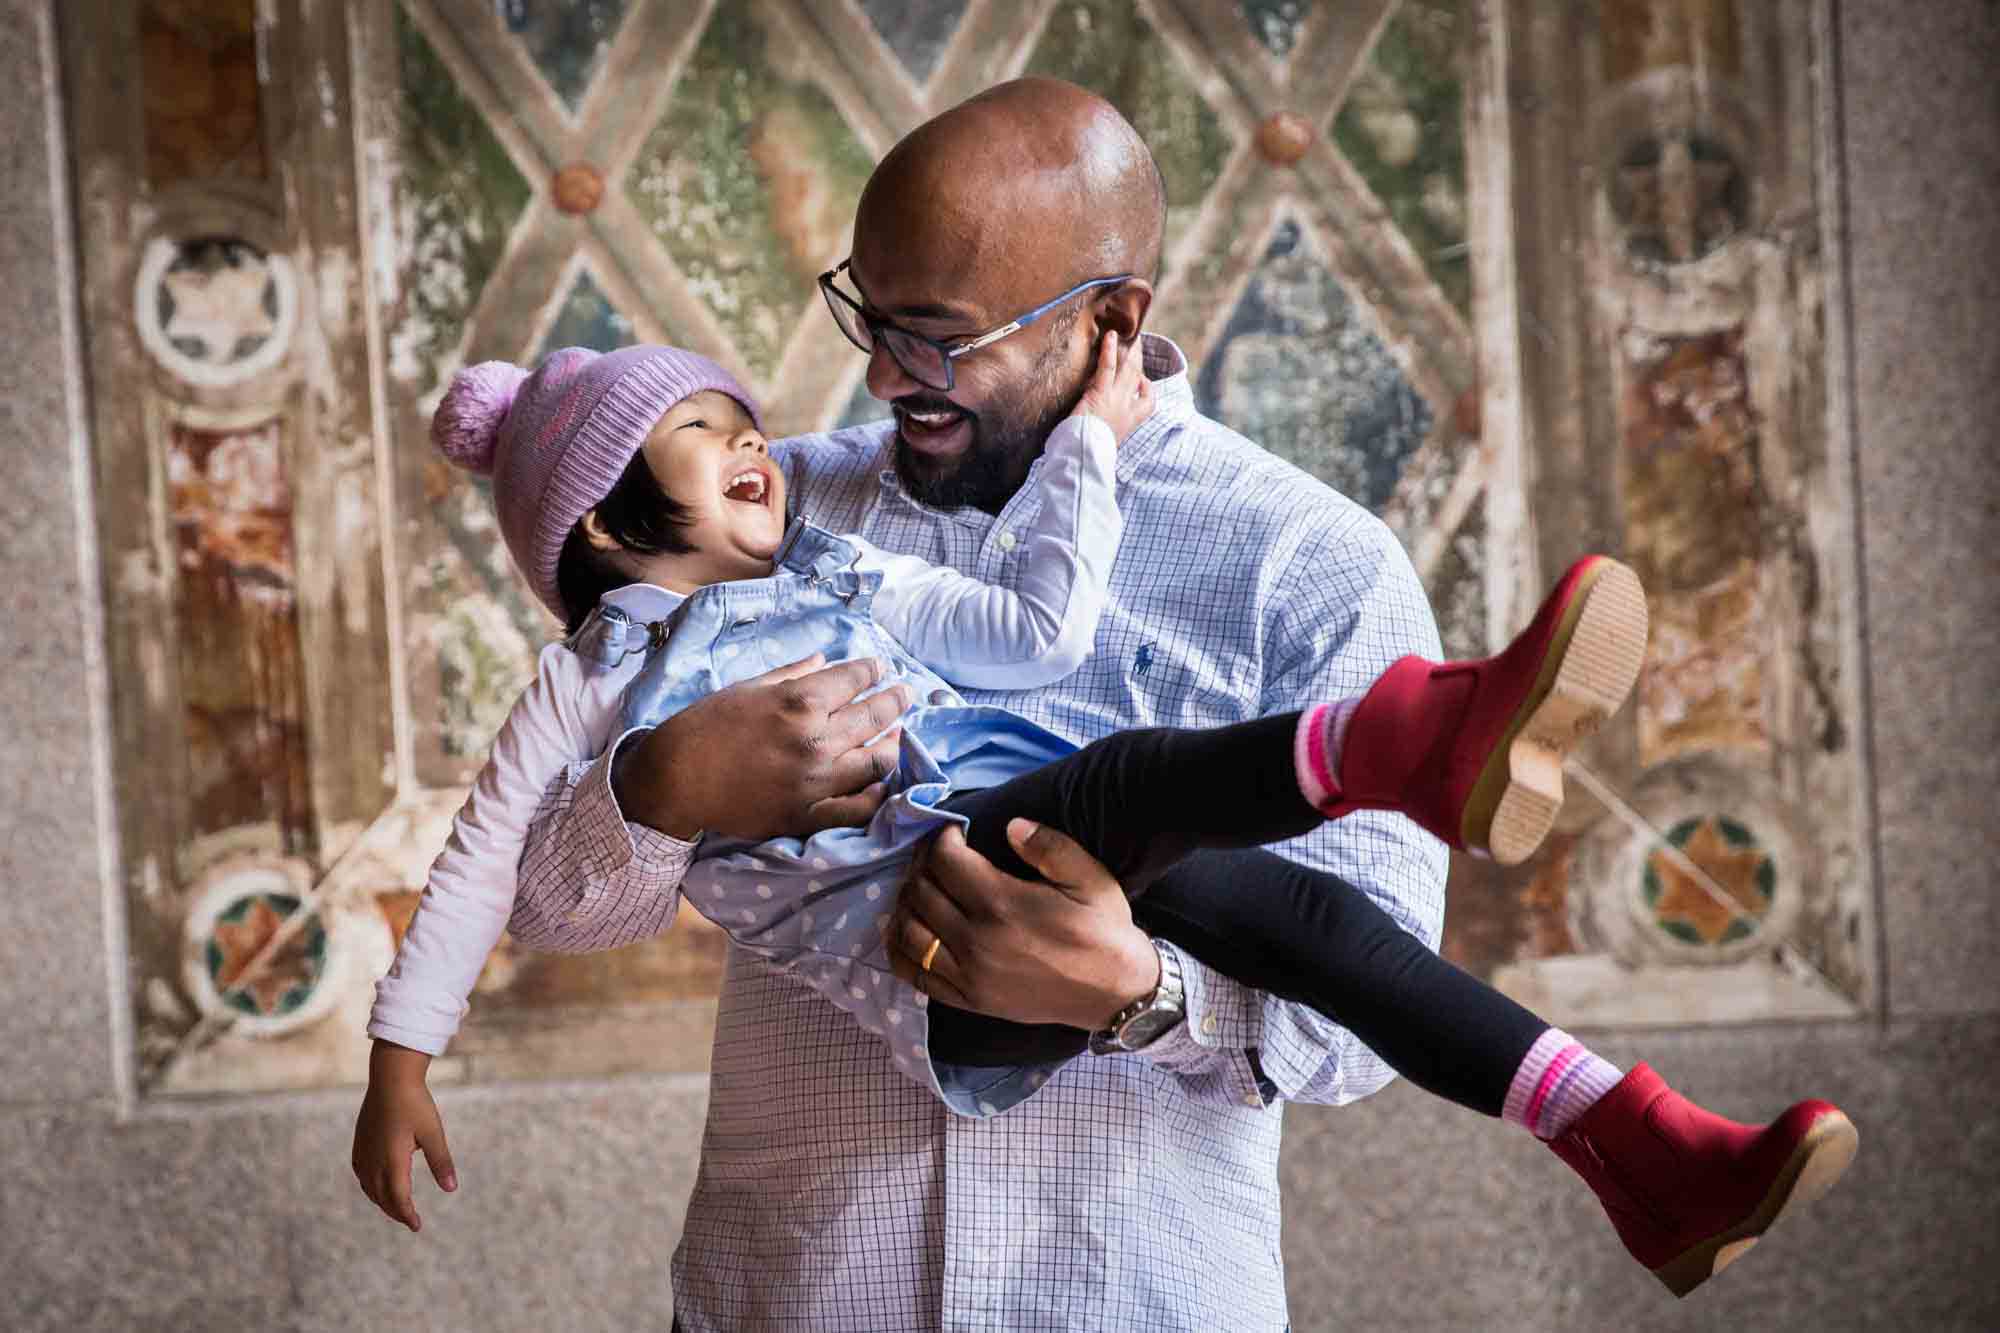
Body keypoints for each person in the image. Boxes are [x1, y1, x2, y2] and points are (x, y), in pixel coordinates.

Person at [360, 79, 1841, 1329]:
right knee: (1138, 785)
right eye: (869, 317)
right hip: (797, 1292)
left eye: (934, 332)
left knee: (1233, 868)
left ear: (1112, 316)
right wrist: (666, 788)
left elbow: (1347, 1033)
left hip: (1135, 1298)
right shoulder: (779, 518)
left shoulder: (1305, 564)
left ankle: (1625, 1127)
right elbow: (541, 897)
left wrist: (1134, 998)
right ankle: (1411, 738)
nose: (880, 372)